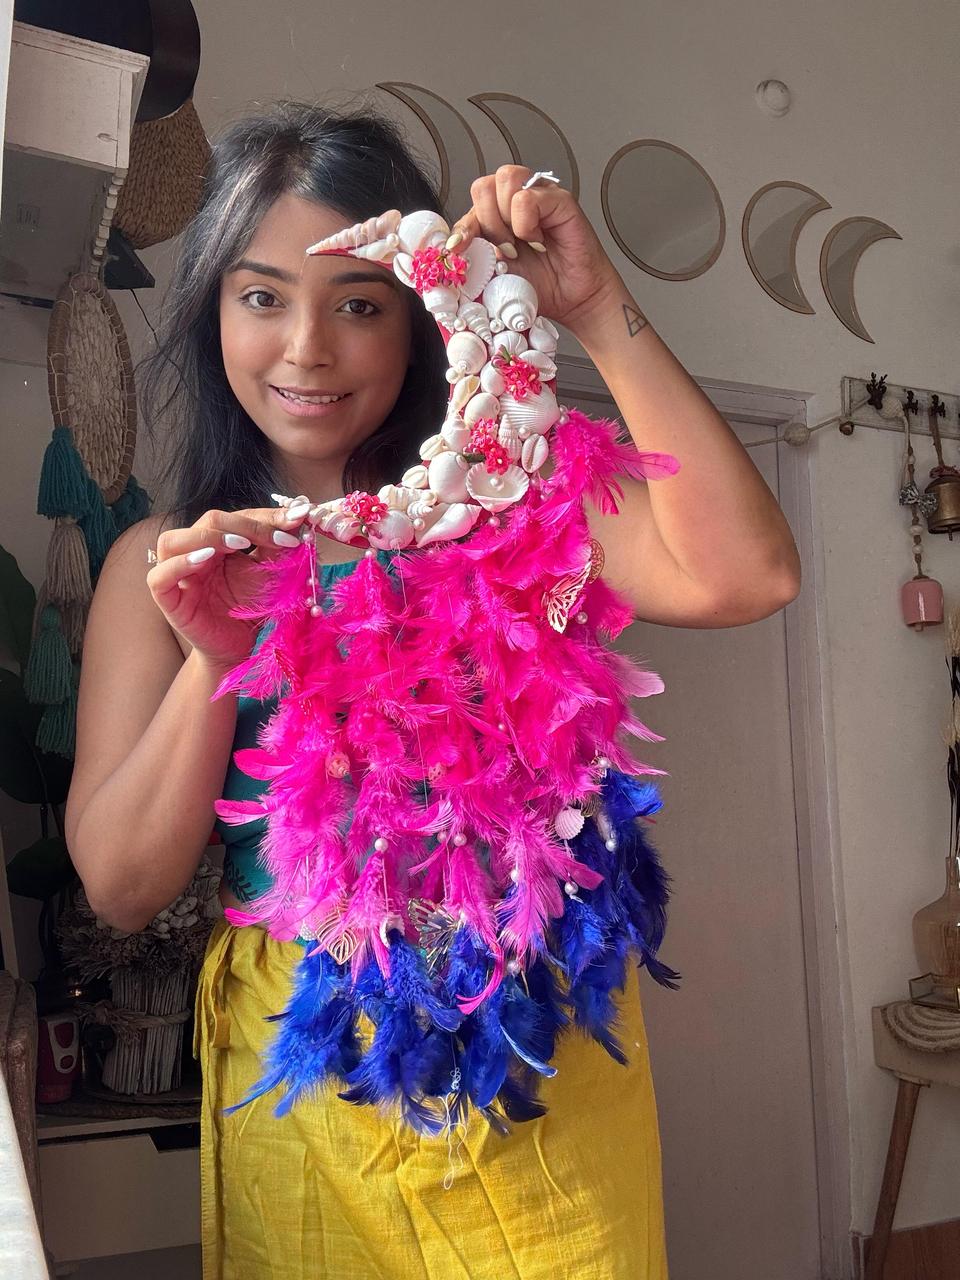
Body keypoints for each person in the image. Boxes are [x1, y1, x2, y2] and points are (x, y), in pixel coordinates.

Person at [64, 101, 800, 1280]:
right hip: (311, 1067)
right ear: (213, 315)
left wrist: (595, 307)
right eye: (263, 297)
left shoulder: (517, 490)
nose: (307, 348)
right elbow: (122, 884)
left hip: (535, 1057)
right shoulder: (164, 562)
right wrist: (216, 654)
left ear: (419, 320)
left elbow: (749, 574)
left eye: (359, 304)